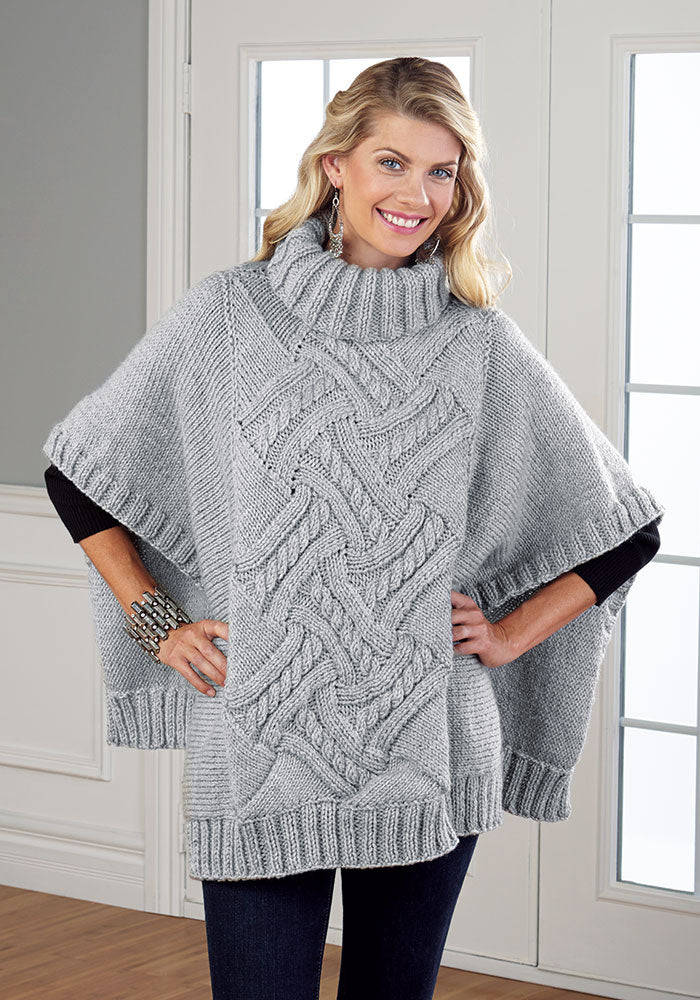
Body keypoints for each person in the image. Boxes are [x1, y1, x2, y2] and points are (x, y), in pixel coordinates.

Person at [43, 57, 664, 1000]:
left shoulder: (477, 343)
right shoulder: (226, 318)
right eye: (392, 162)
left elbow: (624, 529)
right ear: (335, 165)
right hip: (261, 751)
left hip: (425, 749)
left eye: (442, 171)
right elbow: (83, 473)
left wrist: (508, 635)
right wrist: (156, 622)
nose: (417, 195)